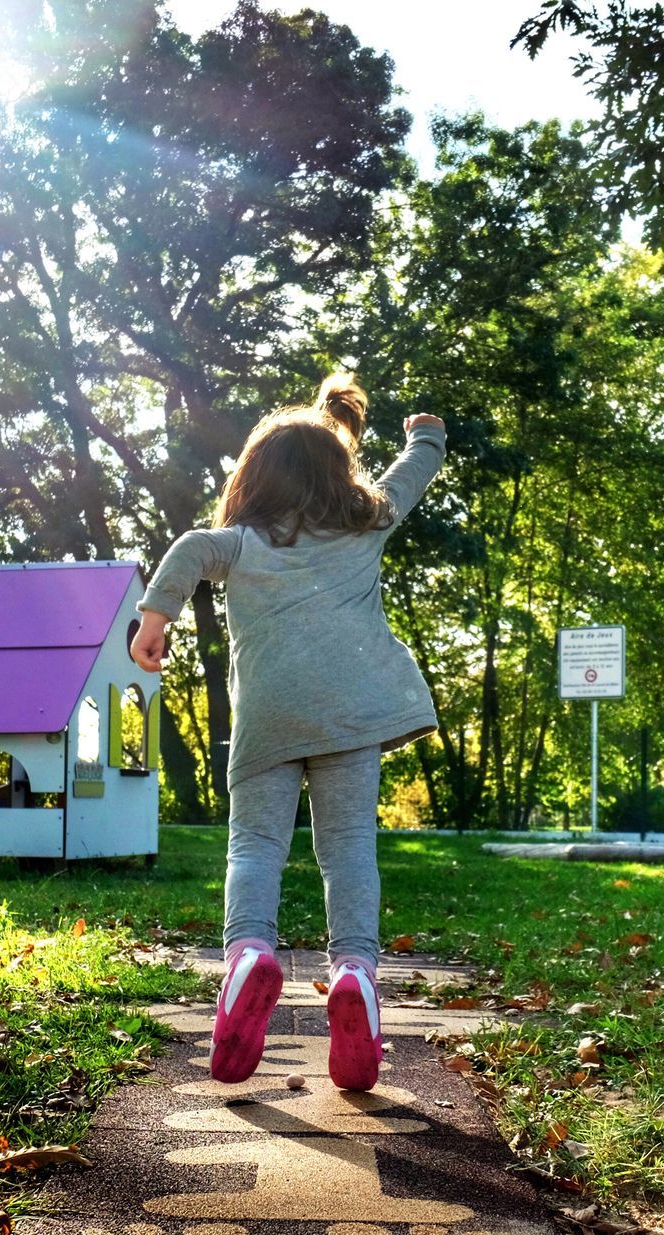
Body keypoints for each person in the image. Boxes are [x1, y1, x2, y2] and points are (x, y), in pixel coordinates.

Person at [130, 374, 446, 1091]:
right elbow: (408, 477)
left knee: (256, 846)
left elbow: (188, 548)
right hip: (350, 716)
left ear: (254, 480)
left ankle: (248, 954)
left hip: (269, 719)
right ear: (339, 478)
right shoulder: (366, 526)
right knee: (347, 851)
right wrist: (427, 436)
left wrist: (156, 618)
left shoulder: (241, 542)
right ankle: (355, 973)